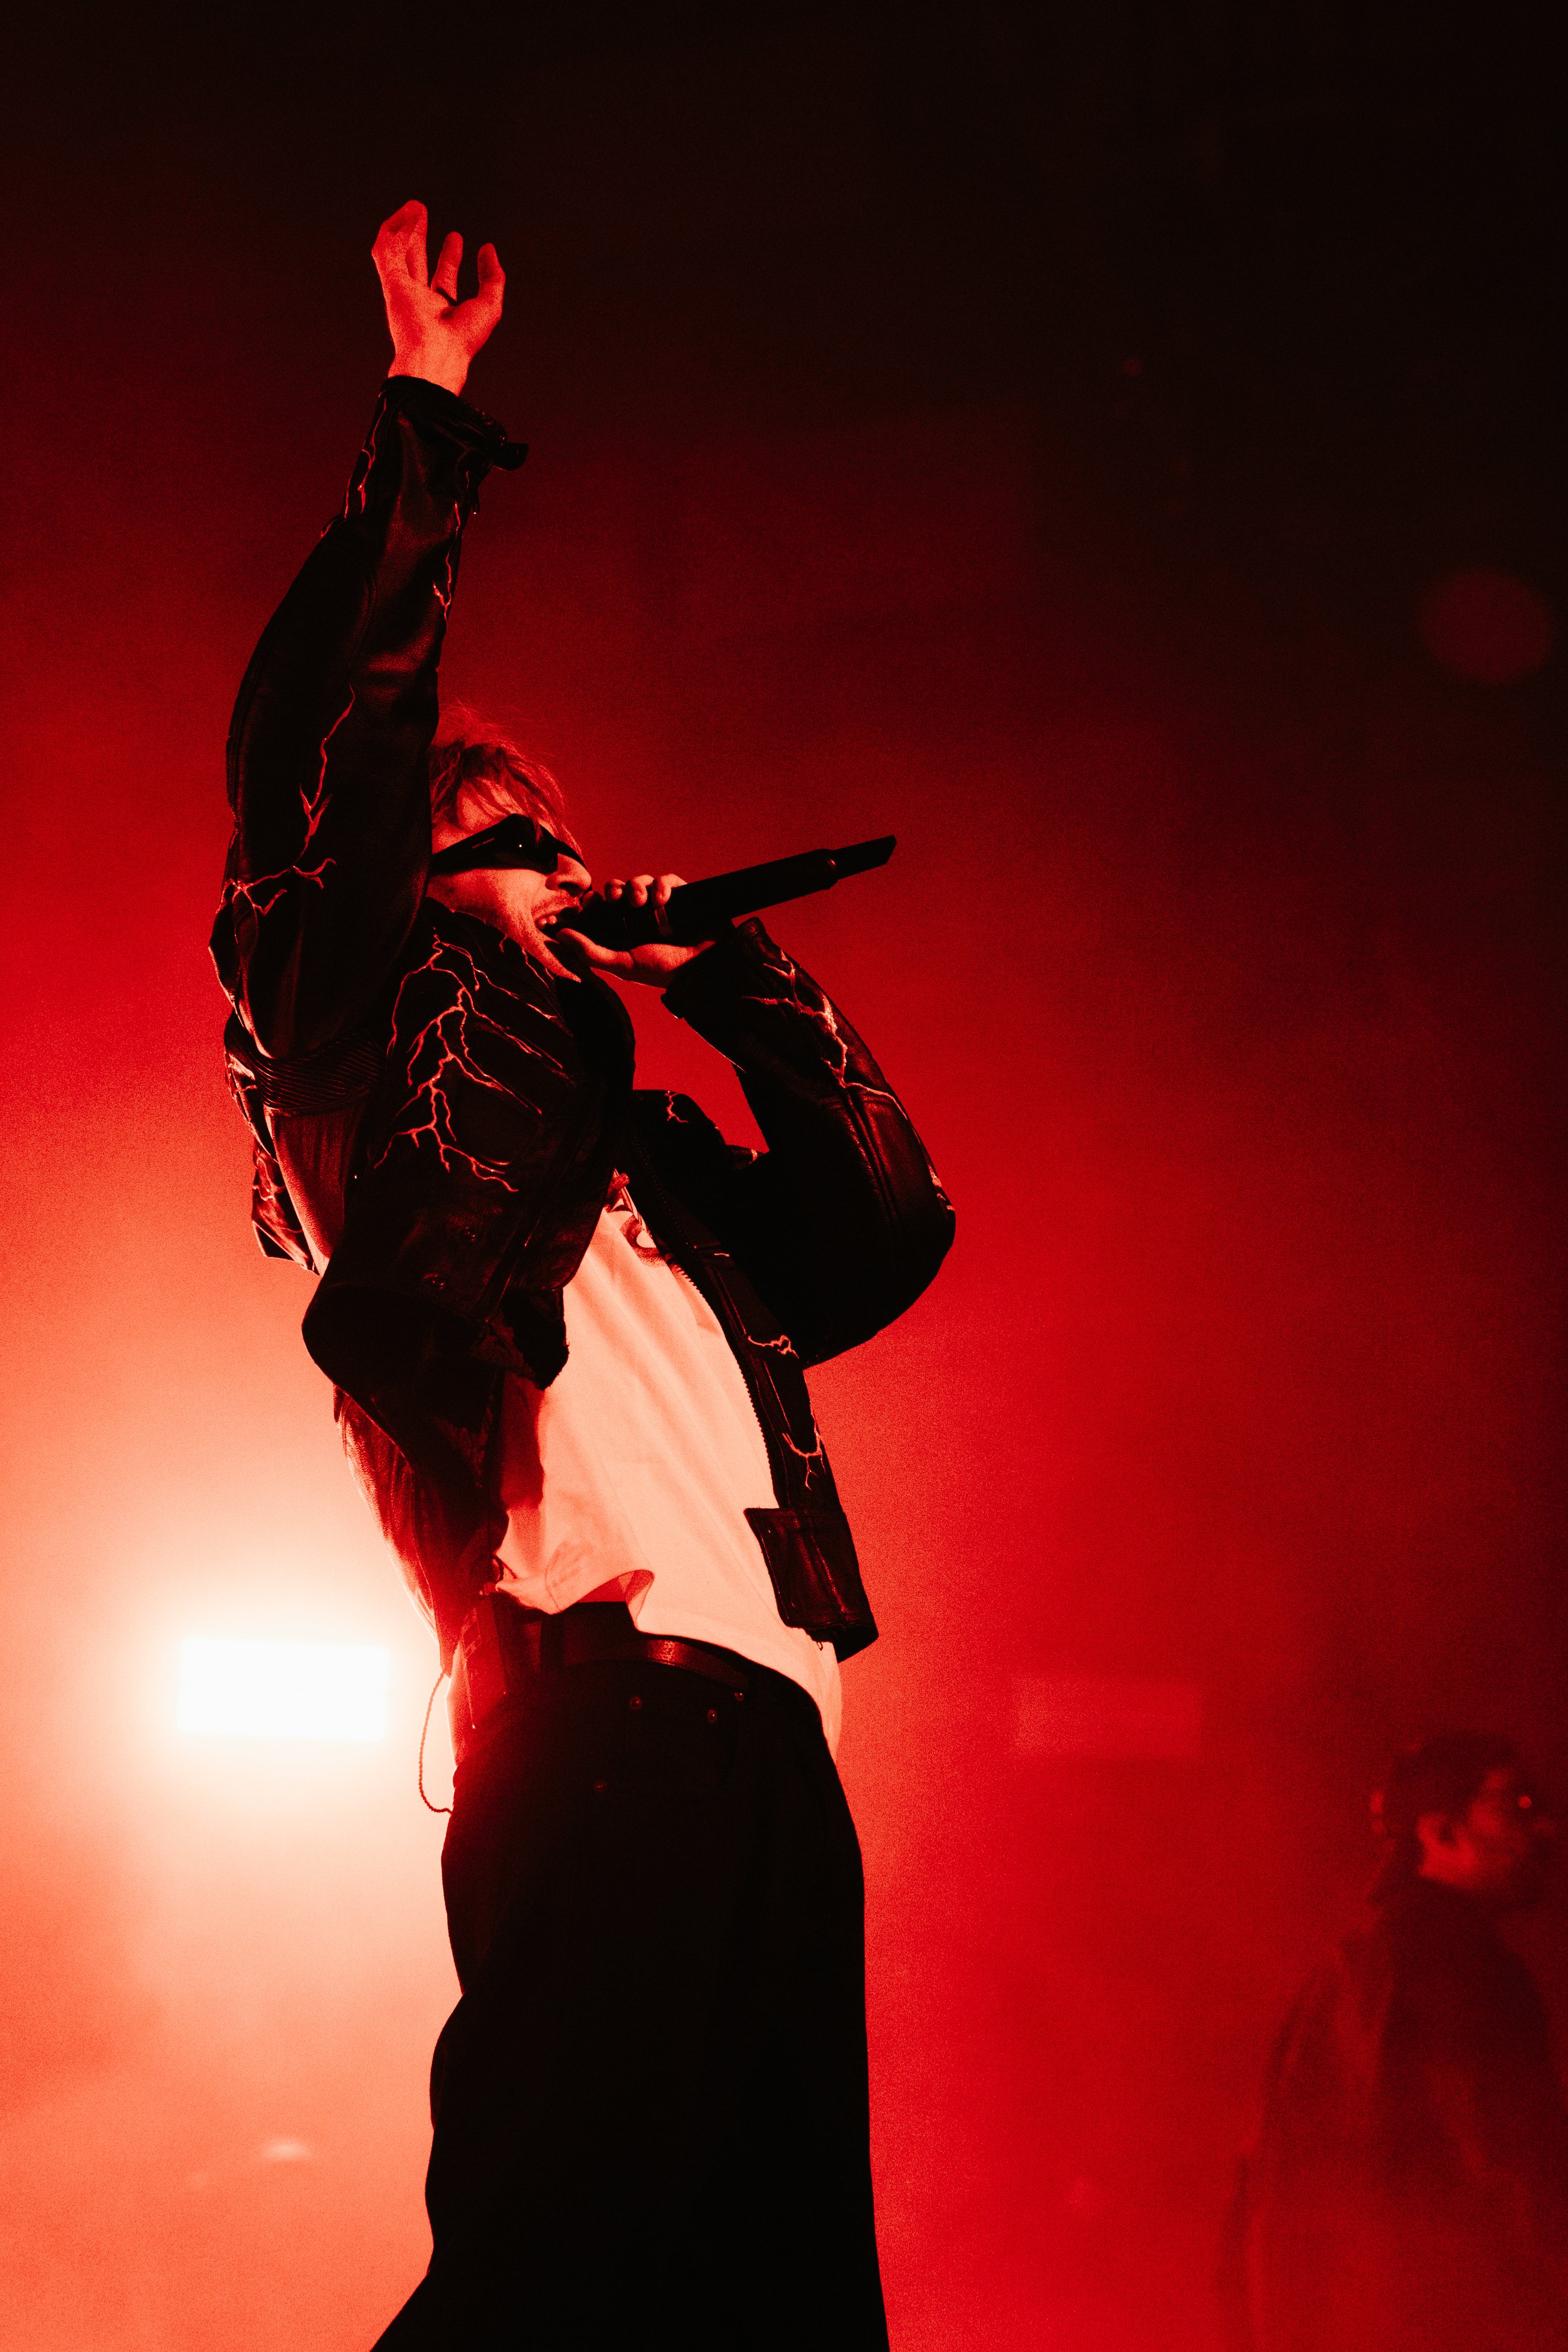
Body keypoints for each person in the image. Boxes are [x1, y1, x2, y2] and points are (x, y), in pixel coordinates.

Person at [210, 201, 954, 2348]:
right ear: (426, 873)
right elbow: (331, 760)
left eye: (549, 819)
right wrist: (425, 420)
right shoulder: (357, 1038)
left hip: (777, 1730)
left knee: (781, 2305)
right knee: (558, 2266)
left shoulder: (653, 1170)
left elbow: (889, 1227)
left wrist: (727, 968)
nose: (543, 842)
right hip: (596, 1695)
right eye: (496, 823)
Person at [1222, 1732, 1568, 2352]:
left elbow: (1253, 2197)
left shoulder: (1336, 1973)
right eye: (1512, 1804)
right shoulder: (1470, 1974)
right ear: (1441, 1835)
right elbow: (1513, 2169)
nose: (1541, 1828)